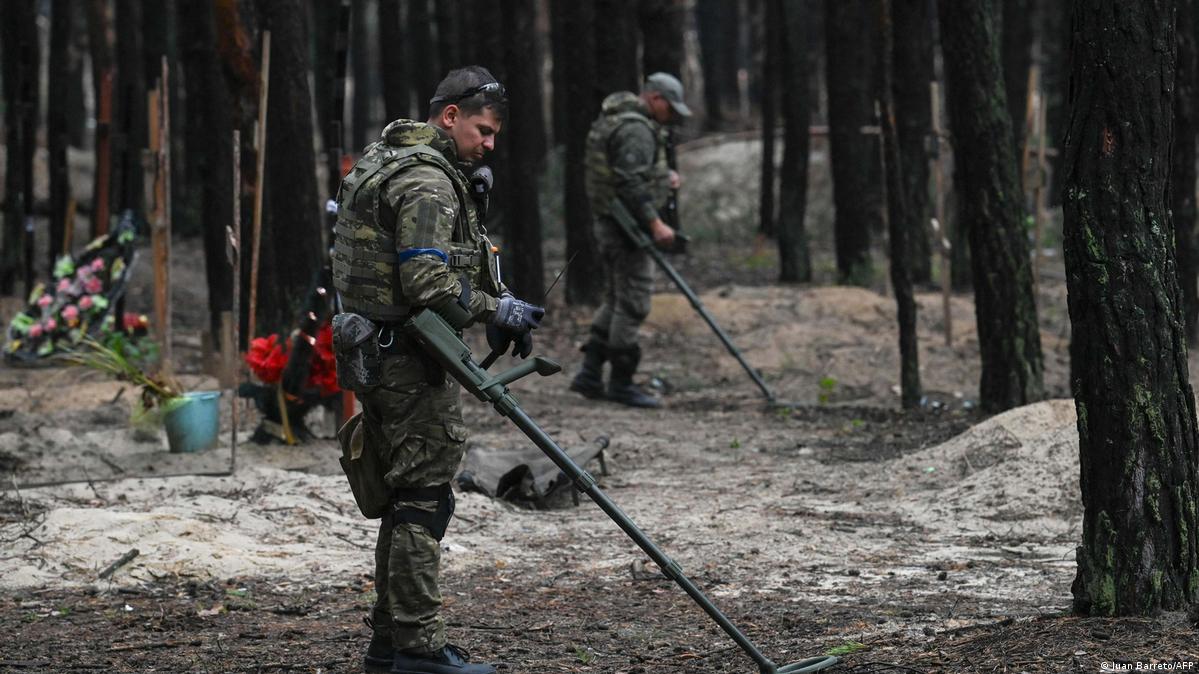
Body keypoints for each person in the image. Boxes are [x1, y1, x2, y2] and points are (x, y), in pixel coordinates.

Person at [332, 66, 543, 674]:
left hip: (376, 348)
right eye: (482, 131)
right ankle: (419, 649)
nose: (490, 145)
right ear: (448, 117)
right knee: (424, 500)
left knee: (404, 498)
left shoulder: (389, 156)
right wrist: (493, 306)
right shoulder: (427, 180)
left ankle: (388, 641)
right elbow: (425, 280)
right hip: (406, 359)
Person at [570, 72, 691, 408]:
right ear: (655, 98)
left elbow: (627, 172)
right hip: (626, 230)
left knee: (615, 299)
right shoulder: (636, 129)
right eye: (670, 107)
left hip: (612, 226)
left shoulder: (619, 122)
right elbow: (629, 183)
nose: (673, 115)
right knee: (633, 302)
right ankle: (621, 382)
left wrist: (664, 177)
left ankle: (590, 373)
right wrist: (655, 224)